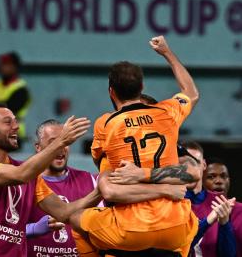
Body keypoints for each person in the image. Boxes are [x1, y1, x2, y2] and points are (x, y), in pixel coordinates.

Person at [70, 35, 200, 257]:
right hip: (175, 228)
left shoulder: (105, 123)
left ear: (111, 92)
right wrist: (167, 53)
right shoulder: (167, 113)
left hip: (130, 230)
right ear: (141, 87)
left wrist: (136, 172)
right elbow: (192, 93)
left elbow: (103, 166)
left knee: (75, 220)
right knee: (190, 224)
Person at [0, 103, 101, 257]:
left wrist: (100, 191)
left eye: (16, 121)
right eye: (8, 122)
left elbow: (63, 212)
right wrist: (61, 141)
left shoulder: (31, 175)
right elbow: (20, 175)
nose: (16, 126)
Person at [26, 119, 100, 257]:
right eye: (54, 142)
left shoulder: (91, 181)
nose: (61, 147)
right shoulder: (24, 184)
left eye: (66, 141)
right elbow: (6, 232)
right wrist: (33, 229)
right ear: (38, 147)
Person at [177, 143, 237, 257]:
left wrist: (224, 223)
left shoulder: (219, 202)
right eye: (183, 165)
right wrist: (208, 221)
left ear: (204, 165)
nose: (189, 171)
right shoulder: (168, 202)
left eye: (195, 163)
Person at [191, 157, 241, 257]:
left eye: (223, 176)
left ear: (229, 181)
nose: (218, 181)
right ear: (202, 181)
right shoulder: (191, 209)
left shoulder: (240, 210)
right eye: (211, 177)